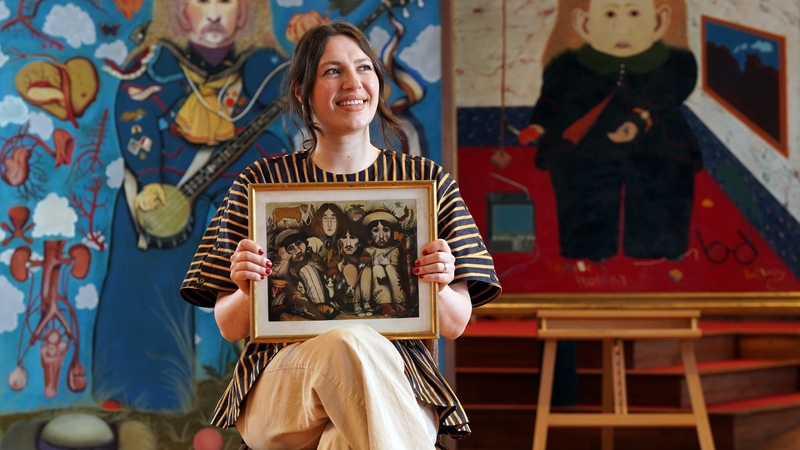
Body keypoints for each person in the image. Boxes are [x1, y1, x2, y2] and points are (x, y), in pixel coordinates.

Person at [180, 21, 501, 449]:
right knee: (349, 341)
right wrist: (245, 287)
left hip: (399, 382)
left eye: (364, 67)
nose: (353, 82)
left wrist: (439, 284)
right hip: (282, 384)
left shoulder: (426, 183)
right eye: (332, 71)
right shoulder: (261, 185)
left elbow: (454, 323)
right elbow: (230, 325)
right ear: (301, 90)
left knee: (343, 440)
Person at [93, 0, 288, 412]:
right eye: (201, 1)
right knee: (144, 239)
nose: (214, 14)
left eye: (227, 2)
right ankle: (143, 393)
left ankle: (281, 387)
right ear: (178, 11)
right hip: (168, 170)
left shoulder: (267, 64)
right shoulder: (156, 60)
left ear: (247, 12)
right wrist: (147, 181)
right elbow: (136, 117)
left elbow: (292, 99)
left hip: (242, 162)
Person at [518, 0, 702, 262]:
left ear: (659, 21)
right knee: (582, 181)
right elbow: (552, 97)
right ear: (584, 23)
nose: (622, 27)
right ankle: (587, 248)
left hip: (657, 139)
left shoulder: (676, 61)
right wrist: (538, 124)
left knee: (666, 175)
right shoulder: (568, 64)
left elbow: (669, 91)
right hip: (588, 144)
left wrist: (640, 118)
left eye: (635, 13)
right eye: (610, 13)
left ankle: (656, 247)